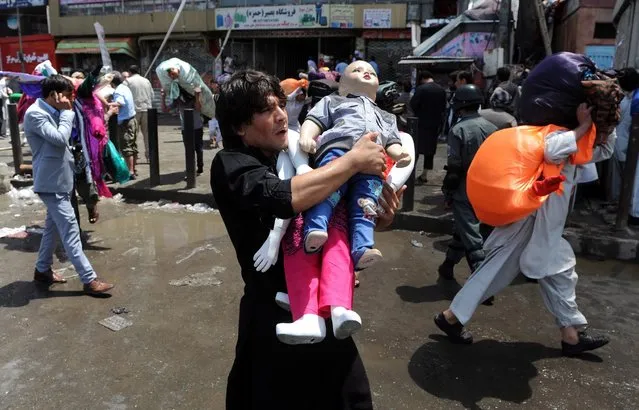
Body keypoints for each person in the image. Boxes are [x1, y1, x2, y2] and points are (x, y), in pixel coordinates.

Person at [211, 69, 388, 409]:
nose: (281, 115)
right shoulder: (231, 164)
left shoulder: (299, 153)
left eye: (280, 104)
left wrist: (379, 211)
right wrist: (352, 161)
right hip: (272, 315)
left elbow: (339, 212)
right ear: (239, 127)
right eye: (266, 110)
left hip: (323, 307)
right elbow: (283, 196)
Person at [434, 103, 613, 357]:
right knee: (504, 272)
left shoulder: (577, 144)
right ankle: (451, 318)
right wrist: (585, 124)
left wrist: (606, 128)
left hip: (543, 226)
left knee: (555, 273)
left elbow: (603, 150)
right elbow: (553, 150)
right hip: (530, 221)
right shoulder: (555, 135)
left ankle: (571, 335)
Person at [23, 75, 113, 295]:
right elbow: (60, 138)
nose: (71, 101)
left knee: (52, 230)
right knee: (71, 230)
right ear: (55, 95)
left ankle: (42, 270)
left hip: (60, 179)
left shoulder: (50, 111)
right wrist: (66, 113)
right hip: (51, 182)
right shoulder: (36, 113)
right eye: (68, 96)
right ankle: (89, 279)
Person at [438, 84, 498, 281]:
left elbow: (454, 169)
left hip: (465, 190)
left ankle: (481, 285)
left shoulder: (458, 130)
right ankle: (447, 267)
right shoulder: (493, 128)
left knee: (473, 240)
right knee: (462, 231)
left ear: (460, 106)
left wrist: (447, 192)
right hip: (488, 189)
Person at [410, 70, 447, 184]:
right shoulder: (441, 89)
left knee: (415, 150)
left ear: (422, 79)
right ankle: (424, 175)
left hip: (420, 124)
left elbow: (413, 104)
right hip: (435, 124)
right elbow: (444, 107)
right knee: (430, 150)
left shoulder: (421, 89)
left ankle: (411, 174)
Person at [161, 85, 204, 176]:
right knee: (189, 150)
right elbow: (165, 109)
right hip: (185, 128)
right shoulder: (178, 100)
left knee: (198, 149)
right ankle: (190, 170)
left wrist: (197, 95)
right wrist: (163, 96)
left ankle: (200, 166)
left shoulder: (194, 97)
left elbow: (198, 108)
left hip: (197, 127)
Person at [111, 71, 138, 178]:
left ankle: (130, 172)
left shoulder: (118, 91)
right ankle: (133, 169)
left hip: (125, 122)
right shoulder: (124, 87)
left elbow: (120, 103)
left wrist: (108, 103)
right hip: (132, 119)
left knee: (127, 148)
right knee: (132, 146)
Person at [125, 65, 154, 162]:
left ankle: (135, 158)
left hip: (134, 111)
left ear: (130, 72)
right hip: (147, 110)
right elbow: (152, 95)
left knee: (133, 135)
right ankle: (149, 157)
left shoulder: (128, 82)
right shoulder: (146, 81)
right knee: (147, 135)